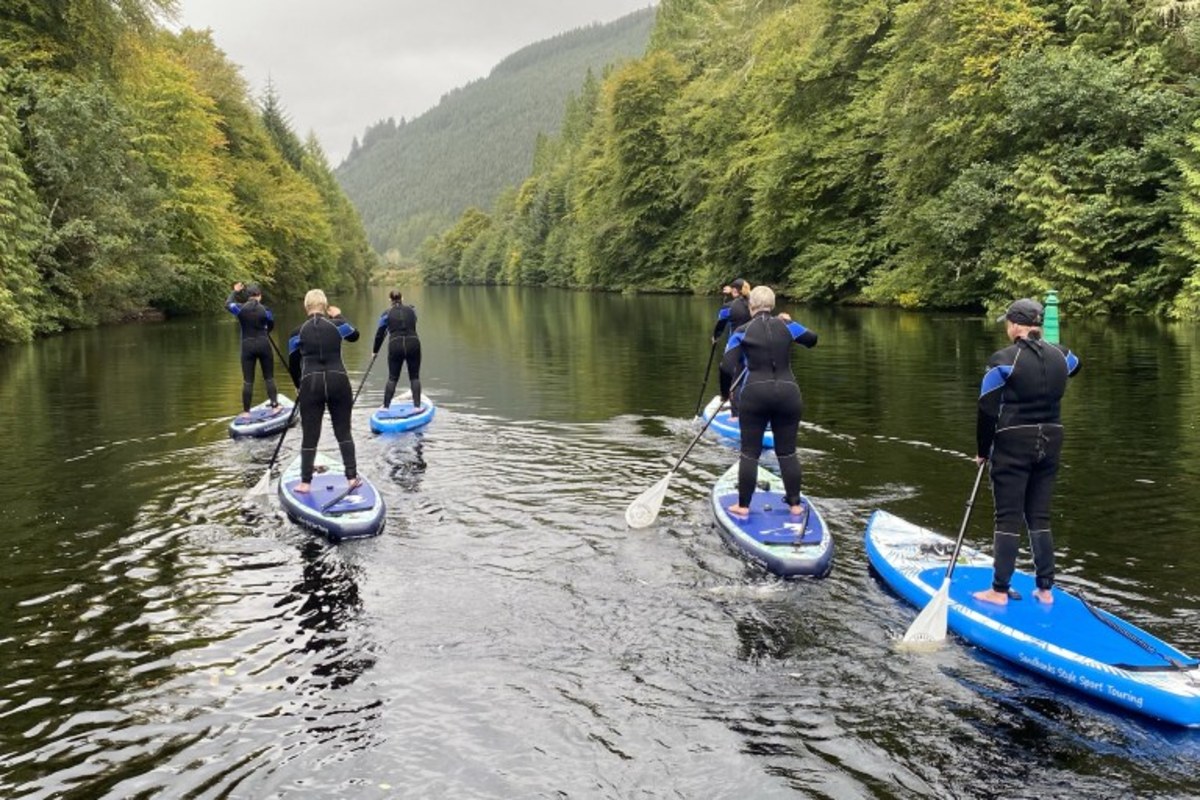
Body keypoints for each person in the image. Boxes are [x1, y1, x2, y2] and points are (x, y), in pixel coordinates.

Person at [973, 298, 1081, 606]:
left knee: (1007, 517)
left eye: (1008, 323)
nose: (1007, 328)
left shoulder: (1003, 360)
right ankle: (1045, 589)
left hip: (1013, 442)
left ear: (1016, 326)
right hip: (1052, 439)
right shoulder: (1062, 355)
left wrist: (983, 451)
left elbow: (987, 409)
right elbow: (1076, 365)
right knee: (1039, 515)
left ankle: (998, 590)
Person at [719, 285, 818, 518]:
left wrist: (725, 394)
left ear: (751, 306)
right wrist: (790, 321)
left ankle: (742, 506)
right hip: (788, 394)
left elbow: (725, 366)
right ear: (772, 306)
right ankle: (794, 505)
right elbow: (812, 339)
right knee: (787, 452)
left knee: (750, 453)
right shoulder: (786, 325)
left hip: (755, 395)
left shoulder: (741, 331)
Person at [287, 289, 361, 494]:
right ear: (325, 306)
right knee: (343, 431)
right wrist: (339, 315)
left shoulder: (297, 332)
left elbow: (293, 364)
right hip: (338, 380)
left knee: (310, 435)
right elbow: (355, 335)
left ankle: (305, 483)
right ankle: (352, 478)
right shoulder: (337, 326)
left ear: (306, 307)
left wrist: (298, 385)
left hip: (311, 383)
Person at [225, 281, 281, 419]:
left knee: (248, 381)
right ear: (259, 296)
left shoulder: (240, 308)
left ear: (248, 296)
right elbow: (271, 324)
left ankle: (246, 412)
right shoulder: (266, 310)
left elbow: (227, 304)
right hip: (263, 344)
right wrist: (265, 330)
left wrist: (235, 291)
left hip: (247, 347)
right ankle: (274, 406)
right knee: (269, 377)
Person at [372, 289, 422, 411]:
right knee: (414, 377)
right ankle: (417, 407)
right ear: (402, 298)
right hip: (413, 343)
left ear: (390, 300)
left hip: (395, 345)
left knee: (393, 377)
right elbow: (413, 321)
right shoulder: (412, 310)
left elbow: (379, 334)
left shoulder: (386, 314)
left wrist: (375, 351)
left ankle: (385, 407)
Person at [712, 278, 752, 418]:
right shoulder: (754, 304)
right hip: (755, 346)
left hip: (736, 346)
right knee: (748, 377)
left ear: (734, 290)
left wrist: (715, 337)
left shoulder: (728, 307)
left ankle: (735, 415)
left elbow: (720, 324)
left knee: (733, 378)